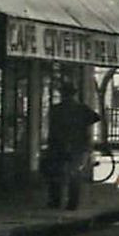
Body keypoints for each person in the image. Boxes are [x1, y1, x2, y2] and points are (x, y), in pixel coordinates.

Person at [45, 80, 101, 211]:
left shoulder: (56, 109)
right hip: (77, 145)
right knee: (74, 175)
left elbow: (52, 129)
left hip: (58, 145)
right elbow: (95, 117)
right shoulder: (81, 109)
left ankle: (55, 201)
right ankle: (72, 203)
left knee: (56, 174)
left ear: (62, 94)